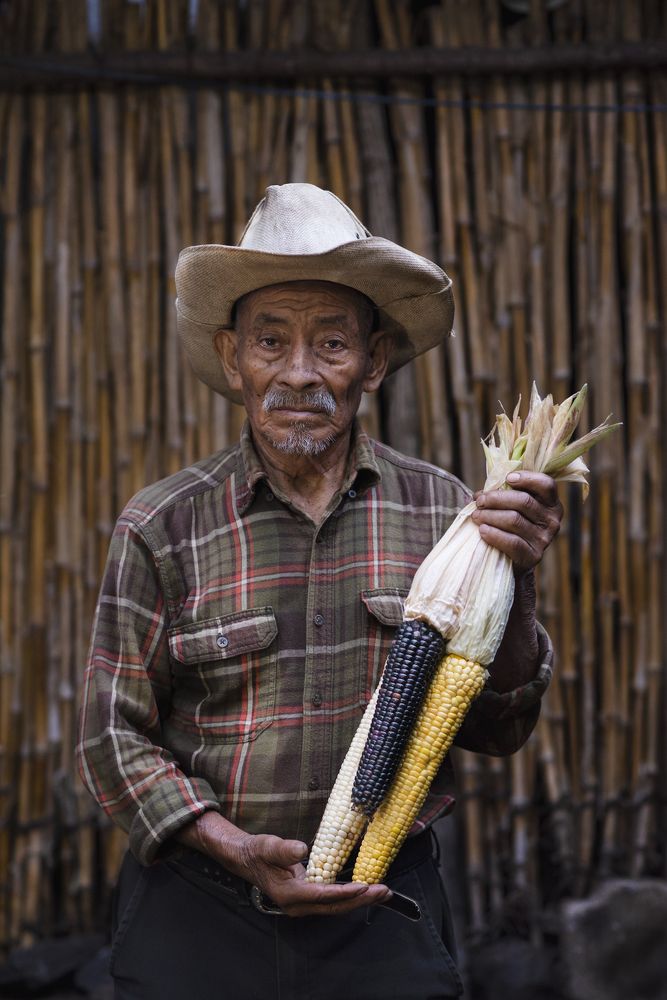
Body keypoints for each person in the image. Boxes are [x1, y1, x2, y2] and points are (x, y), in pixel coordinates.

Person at [77, 183, 562, 999]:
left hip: (382, 910)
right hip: (199, 912)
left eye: (331, 345)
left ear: (372, 362)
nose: (298, 373)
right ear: (233, 359)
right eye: (271, 341)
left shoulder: (447, 513)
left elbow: (496, 729)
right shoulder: (162, 524)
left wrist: (519, 578)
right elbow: (111, 739)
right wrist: (233, 846)